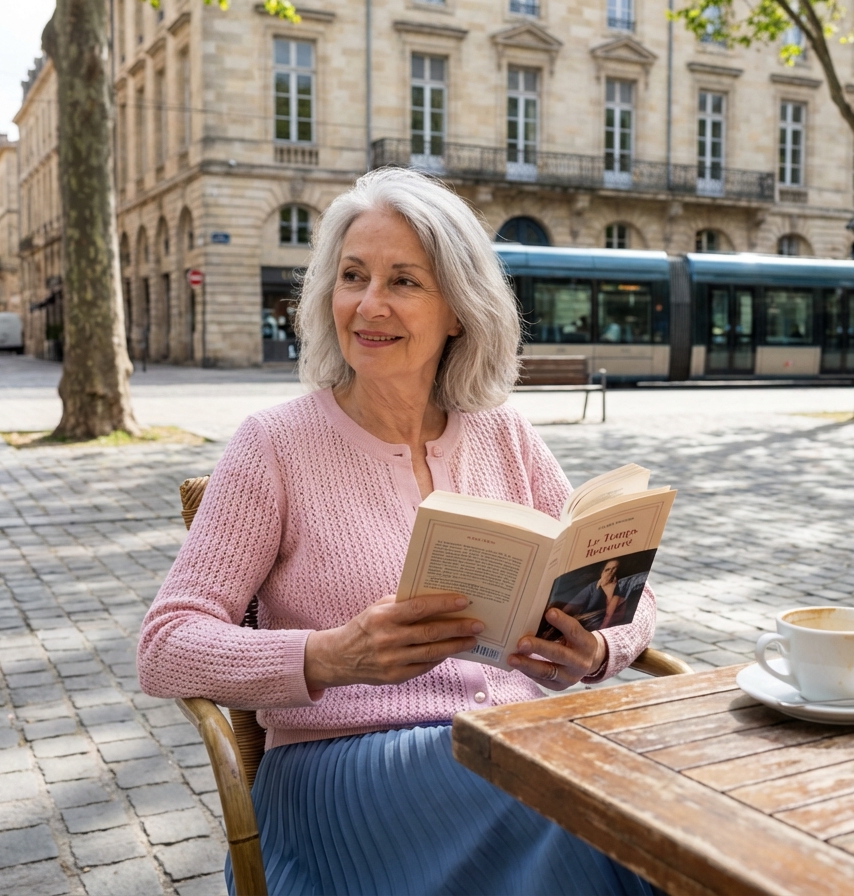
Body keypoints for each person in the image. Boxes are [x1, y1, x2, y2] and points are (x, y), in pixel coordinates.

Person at [138, 168, 656, 896]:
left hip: (518, 744)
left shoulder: (503, 434)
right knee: (598, 819)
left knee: (667, 812)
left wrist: (598, 647)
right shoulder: (274, 445)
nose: (368, 304)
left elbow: (634, 592)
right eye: (353, 276)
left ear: (458, 311)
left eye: (404, 281)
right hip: (349, 775)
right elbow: (165, 646)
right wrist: (327, 657)